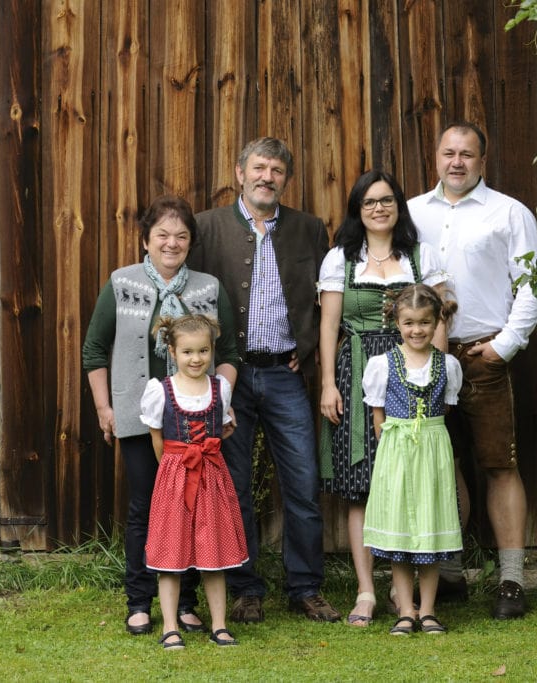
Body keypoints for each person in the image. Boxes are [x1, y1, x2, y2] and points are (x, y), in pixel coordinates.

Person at [188, 137, 340, 623]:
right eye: (259, 167)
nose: (266, 177)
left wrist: (309, 346)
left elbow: (327, 299)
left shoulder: (309, 229)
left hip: (282, 375)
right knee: (233, 485)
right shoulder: (207, 227)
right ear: (240, 172)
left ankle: (305, 587)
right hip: (229, 375)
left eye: (276, 170)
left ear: (285, 179)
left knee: (302, 482)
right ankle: (245, 587)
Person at [408, 122, 537, 620]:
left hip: (483, 358)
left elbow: (535, 284)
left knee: (497, 464)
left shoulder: (509, 213)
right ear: (437, 156)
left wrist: (504, 347)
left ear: (482, 161)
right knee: (439, 463)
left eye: (467, 154)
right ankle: (448, 572)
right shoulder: (412, 213)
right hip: (426, 360)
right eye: (449, 152)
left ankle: (511, 581)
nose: (457, 162)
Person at [82, 195, 240, 635]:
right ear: (146, 240)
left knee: (193, 510)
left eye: (181, 236)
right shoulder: (122, 283)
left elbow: (228, 353)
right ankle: (139, 601)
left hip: (195, 424)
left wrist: (221, 403)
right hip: (140, 418)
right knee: (144, 509)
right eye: (162, 235)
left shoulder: (207, 289)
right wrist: (104, 408)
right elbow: (95, 348)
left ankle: (187, 603)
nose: (172, 243)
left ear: (191, 242)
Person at [317, 169, 448, 627]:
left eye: (387, 200)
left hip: (411, 373)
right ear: (357, 208)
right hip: (356, 374)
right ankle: (367, 589)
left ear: (398, 206)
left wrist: (436, 376)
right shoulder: (340, 259)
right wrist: (328, 384)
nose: (378, 208)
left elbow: (440, 320)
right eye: (369, 201)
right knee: (363, 487)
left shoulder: (420, 255)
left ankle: (403, 588)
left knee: (409, 482)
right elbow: (329, 326)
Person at [361, 284, 463, 636]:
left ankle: (429, 610)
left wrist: (425, 443)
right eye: (409, 323)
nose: (416, 330)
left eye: (424, 322)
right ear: (397, 323)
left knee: (429, 534)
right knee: (401, 536)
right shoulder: (382, 364)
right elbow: (378, 418)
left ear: (436, 323)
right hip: (397, 453)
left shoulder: (447, 365)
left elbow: (445, 411)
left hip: (432, 453)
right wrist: (393, 456)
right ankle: (406, 610)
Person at [140, 315, 247, 649]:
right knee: (170, 556)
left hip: (213, 478)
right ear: (172, 351)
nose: (196, 358)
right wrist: (171, 471)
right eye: (187, 352)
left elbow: (224, 428)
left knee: (214, 554)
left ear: (212, 350)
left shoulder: (220, 388)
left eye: (203, 350)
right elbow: (157, 438)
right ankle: (170, 626)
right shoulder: (161, 389)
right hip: (174, 478)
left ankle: (219, 624)